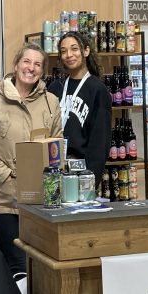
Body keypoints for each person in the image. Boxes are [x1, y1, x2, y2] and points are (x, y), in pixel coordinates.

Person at [0, 42, 62, 277]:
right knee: (20, 265)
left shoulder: (51, 102)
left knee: (43, 264)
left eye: (37, 64)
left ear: (43, 71)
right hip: (5, 201)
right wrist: (5, 174)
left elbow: (57, 145)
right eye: (26, 61)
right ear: (15, 65)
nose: (31, 68)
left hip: (41, 202)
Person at [48, 31, 111, 186]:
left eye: (74, 49)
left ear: (86, 51)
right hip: (53, 166)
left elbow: (100, 141)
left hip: (81, 170)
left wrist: (90, 180)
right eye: (63, 51)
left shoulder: (97, 89)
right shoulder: (56, 87)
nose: (69, 55)